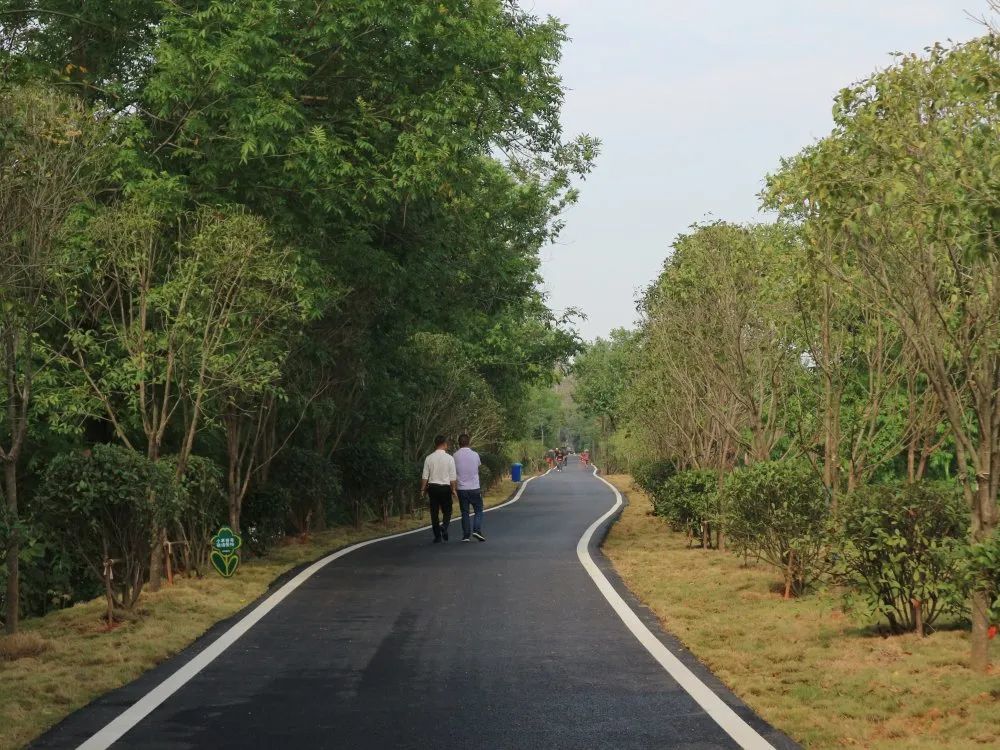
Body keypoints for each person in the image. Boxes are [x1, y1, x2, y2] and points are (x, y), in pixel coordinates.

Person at [420, 434, 457, 543]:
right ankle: (444, 526)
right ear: (445, 444)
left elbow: (425, 476)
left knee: (434, 512)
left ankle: (437, 536)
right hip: (445, 488)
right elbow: (452, 477)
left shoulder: (429, 458)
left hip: (433, 488)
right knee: (448, 510)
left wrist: (422, 490)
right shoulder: (450, 458)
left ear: (435, 444)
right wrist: (453, 489)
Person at [454, 433, 485, 542]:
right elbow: (478, 467)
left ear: (459, 443)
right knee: (479, 510)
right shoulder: (475, 455)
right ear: (469, 442)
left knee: (465, 512)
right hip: (474, 487)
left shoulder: (455, 456)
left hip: (461, 488)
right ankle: (476, 530)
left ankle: (466, 535)